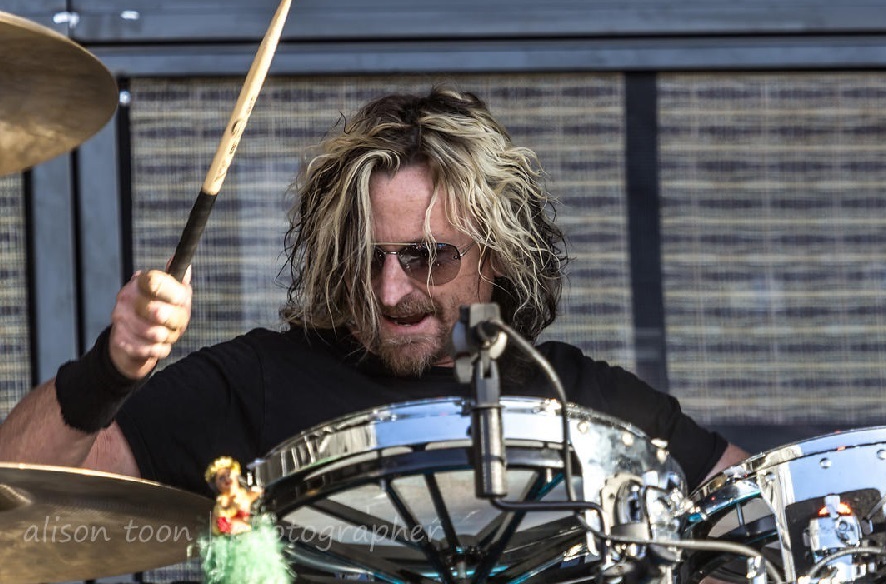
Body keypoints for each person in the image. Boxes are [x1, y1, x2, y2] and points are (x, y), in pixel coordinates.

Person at [0, 87, 748, 498]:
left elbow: (760, 520)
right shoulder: (257, 385)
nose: (391, 291)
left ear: (496, 255)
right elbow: (19, 495)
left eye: (427, 257)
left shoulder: (582, 401)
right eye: (366, 259)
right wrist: (112, 369)